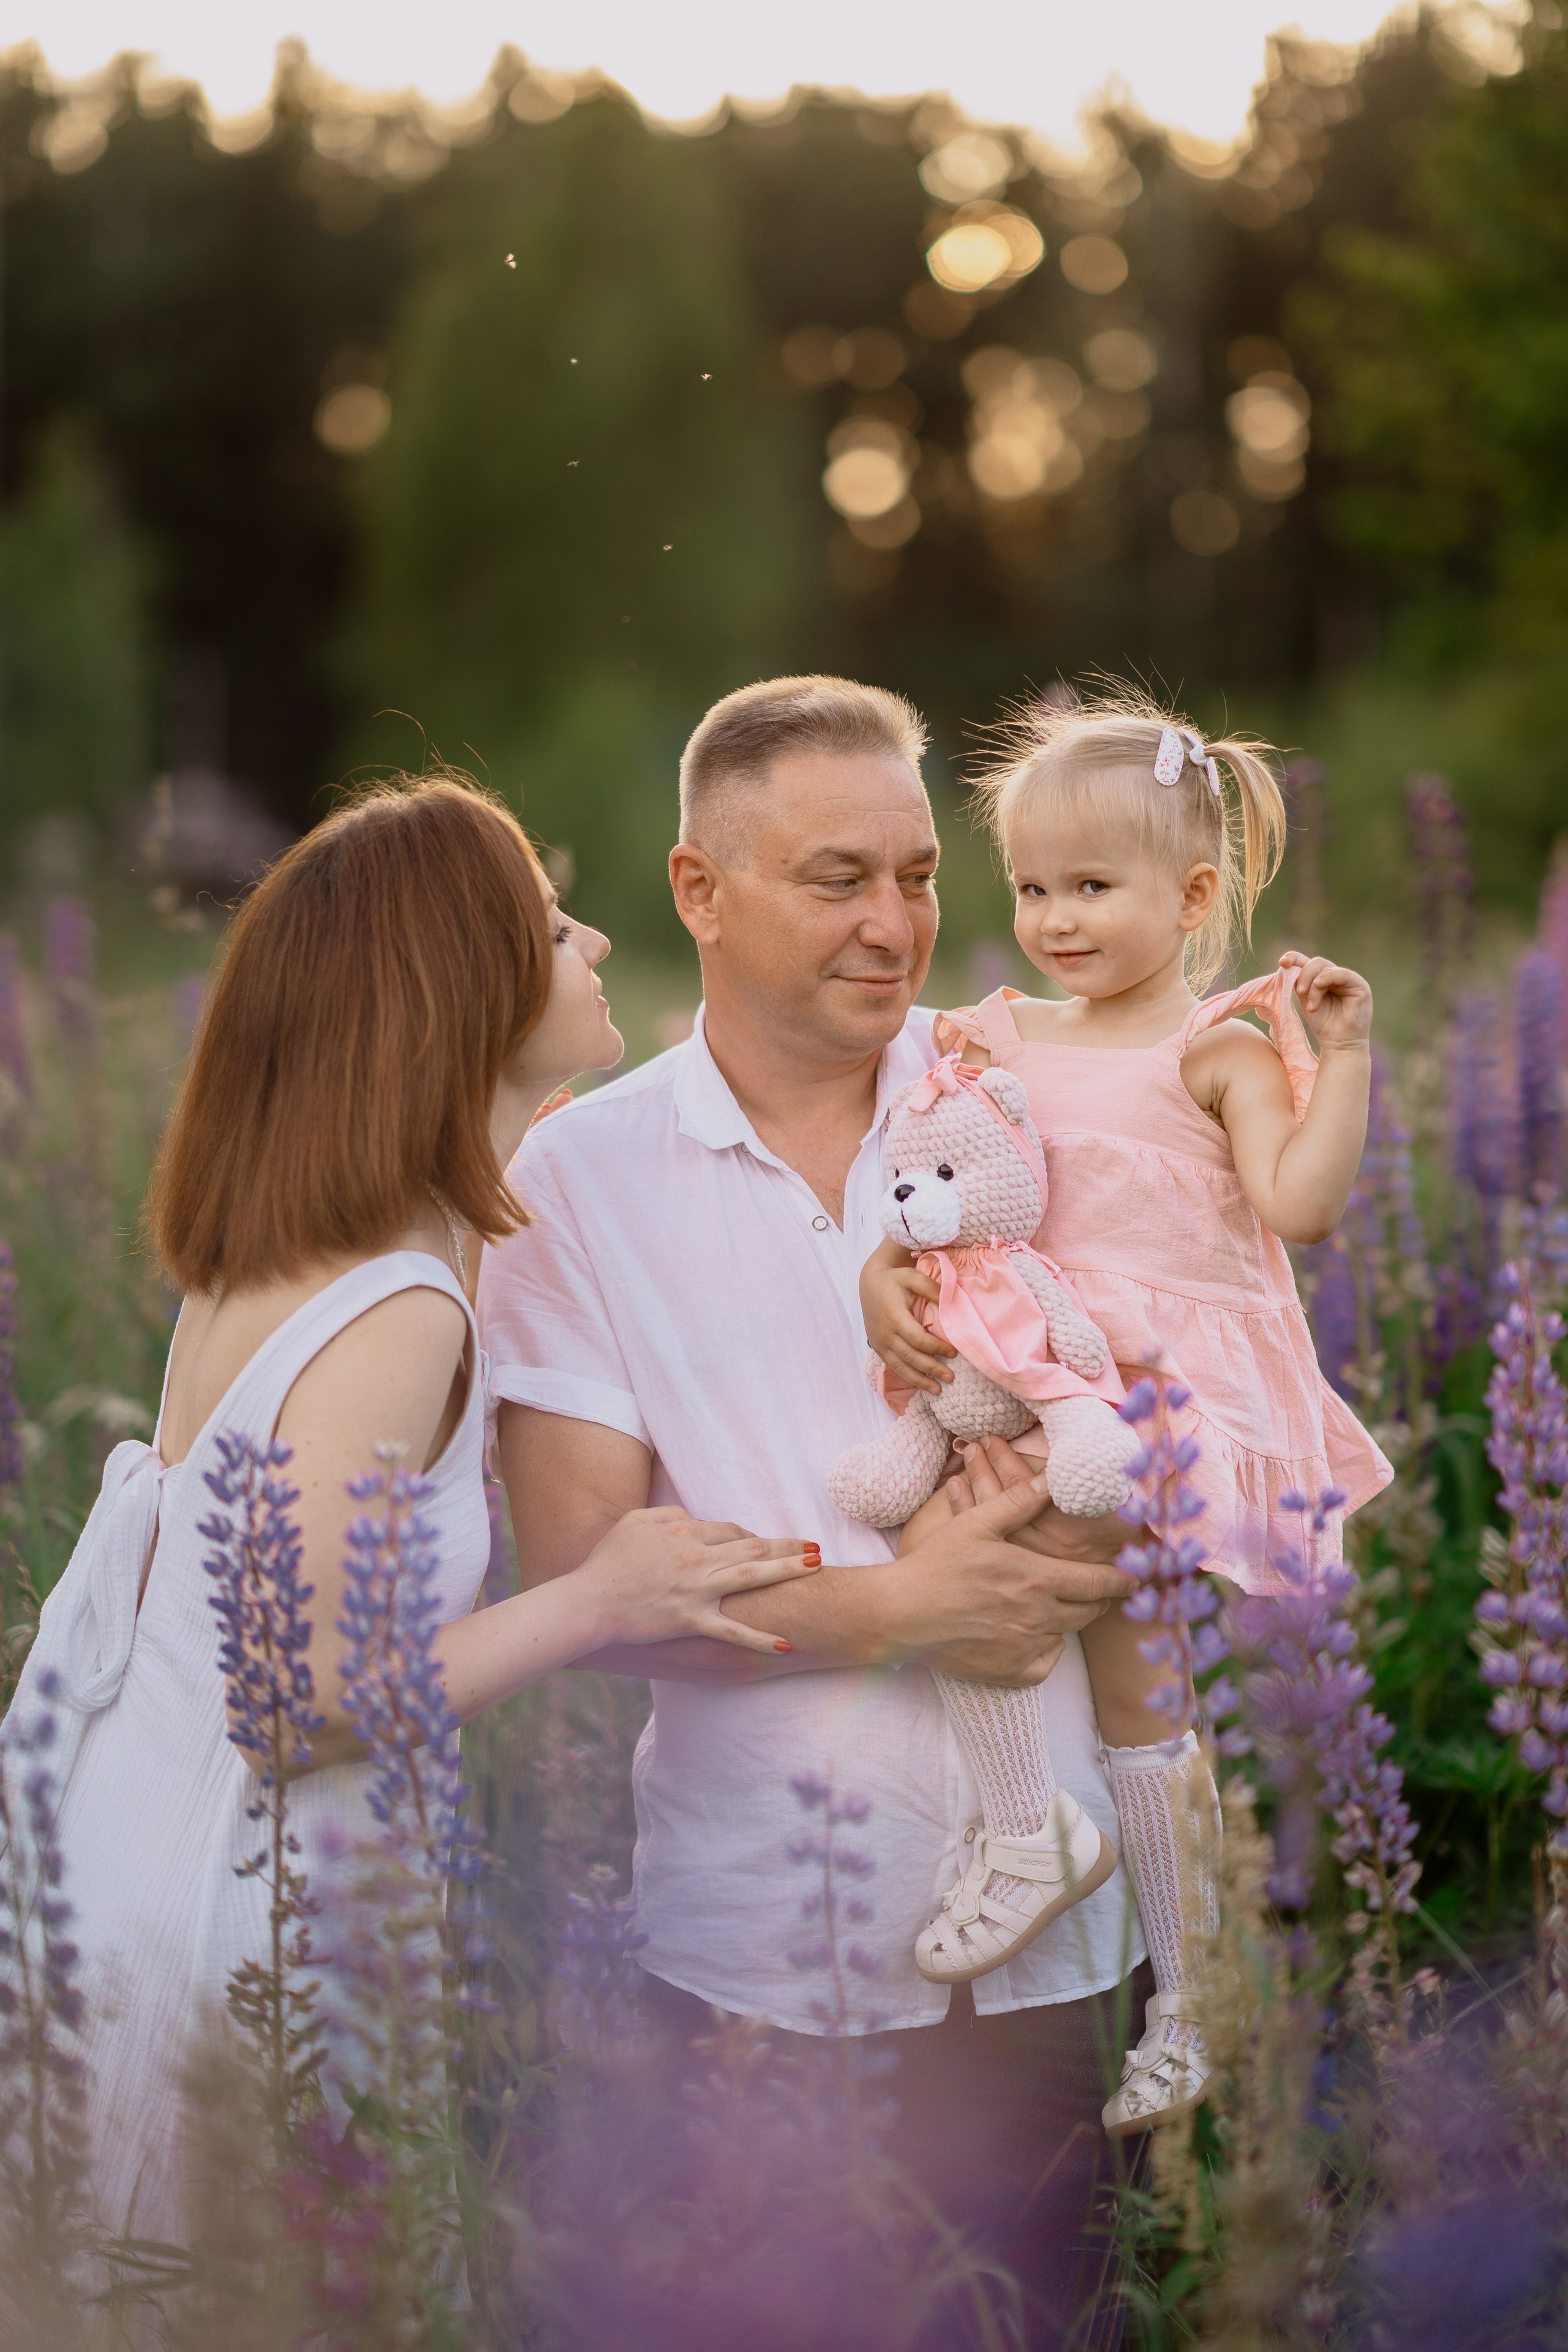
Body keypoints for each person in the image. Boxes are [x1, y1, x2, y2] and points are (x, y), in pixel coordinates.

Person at [1, 777, 818, 2241]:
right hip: (245, 1942)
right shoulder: (396, 1310)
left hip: (153, 1899)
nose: (595, 948)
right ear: (465, 992)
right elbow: (291, 1704)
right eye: (554, 925)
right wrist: (593, 1601)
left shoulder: (292, 1255)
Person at [481, 676, 1146, 2341]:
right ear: (700, 891)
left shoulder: (1028, 1092)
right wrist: (896, 1611)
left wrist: (1091, 1528)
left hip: (1063, 1934)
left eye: (918, 876)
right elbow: (576, 1582)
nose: (895, 924)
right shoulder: (576, 1183)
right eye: (837, 879)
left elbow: (1194, 1420)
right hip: (764, 1953)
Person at [859, 687, 1392, 2133]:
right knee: (959, 1571)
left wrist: (1338, 1056)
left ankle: (1188, 1985)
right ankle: (1030, 1833)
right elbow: (932, 1181)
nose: (1053, 919)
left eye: (1091, 887)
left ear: (1195, 893)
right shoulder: (994, 1033)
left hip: (1152, 1402)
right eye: (1030, 887)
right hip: (1020, 1375)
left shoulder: (1217, 1048)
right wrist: (881, 1272)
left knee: (1142, 1689)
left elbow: (1301, 1204)